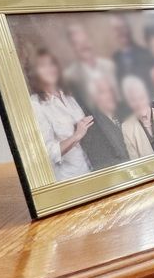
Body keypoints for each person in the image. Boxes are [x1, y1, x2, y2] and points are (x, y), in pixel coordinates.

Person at [26, 48, 92, 181]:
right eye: (43, 66)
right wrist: (76, 135)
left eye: (52, 63)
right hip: (70, 179)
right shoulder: (35, 105)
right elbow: (47, 153)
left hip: (91, 169)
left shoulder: (68, 95)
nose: (50, 69)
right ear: (34, 73)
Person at [80, 74, 131, 169]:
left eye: (110, 90)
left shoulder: (124, 114)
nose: (110, 95)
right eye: (102, 92)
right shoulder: (92, 129)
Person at [63, 22, 116, 111]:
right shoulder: (70, 77)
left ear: (91, 41)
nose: (83, 46)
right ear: (73, 48)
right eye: (77, 43)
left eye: (85, 41)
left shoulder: (109, 66)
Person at [110, 14, 154, 102]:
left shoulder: (146, 54)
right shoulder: (115, 58)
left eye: (122, 28)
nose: (120, 32)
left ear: (128, 29)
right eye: (116, 29)